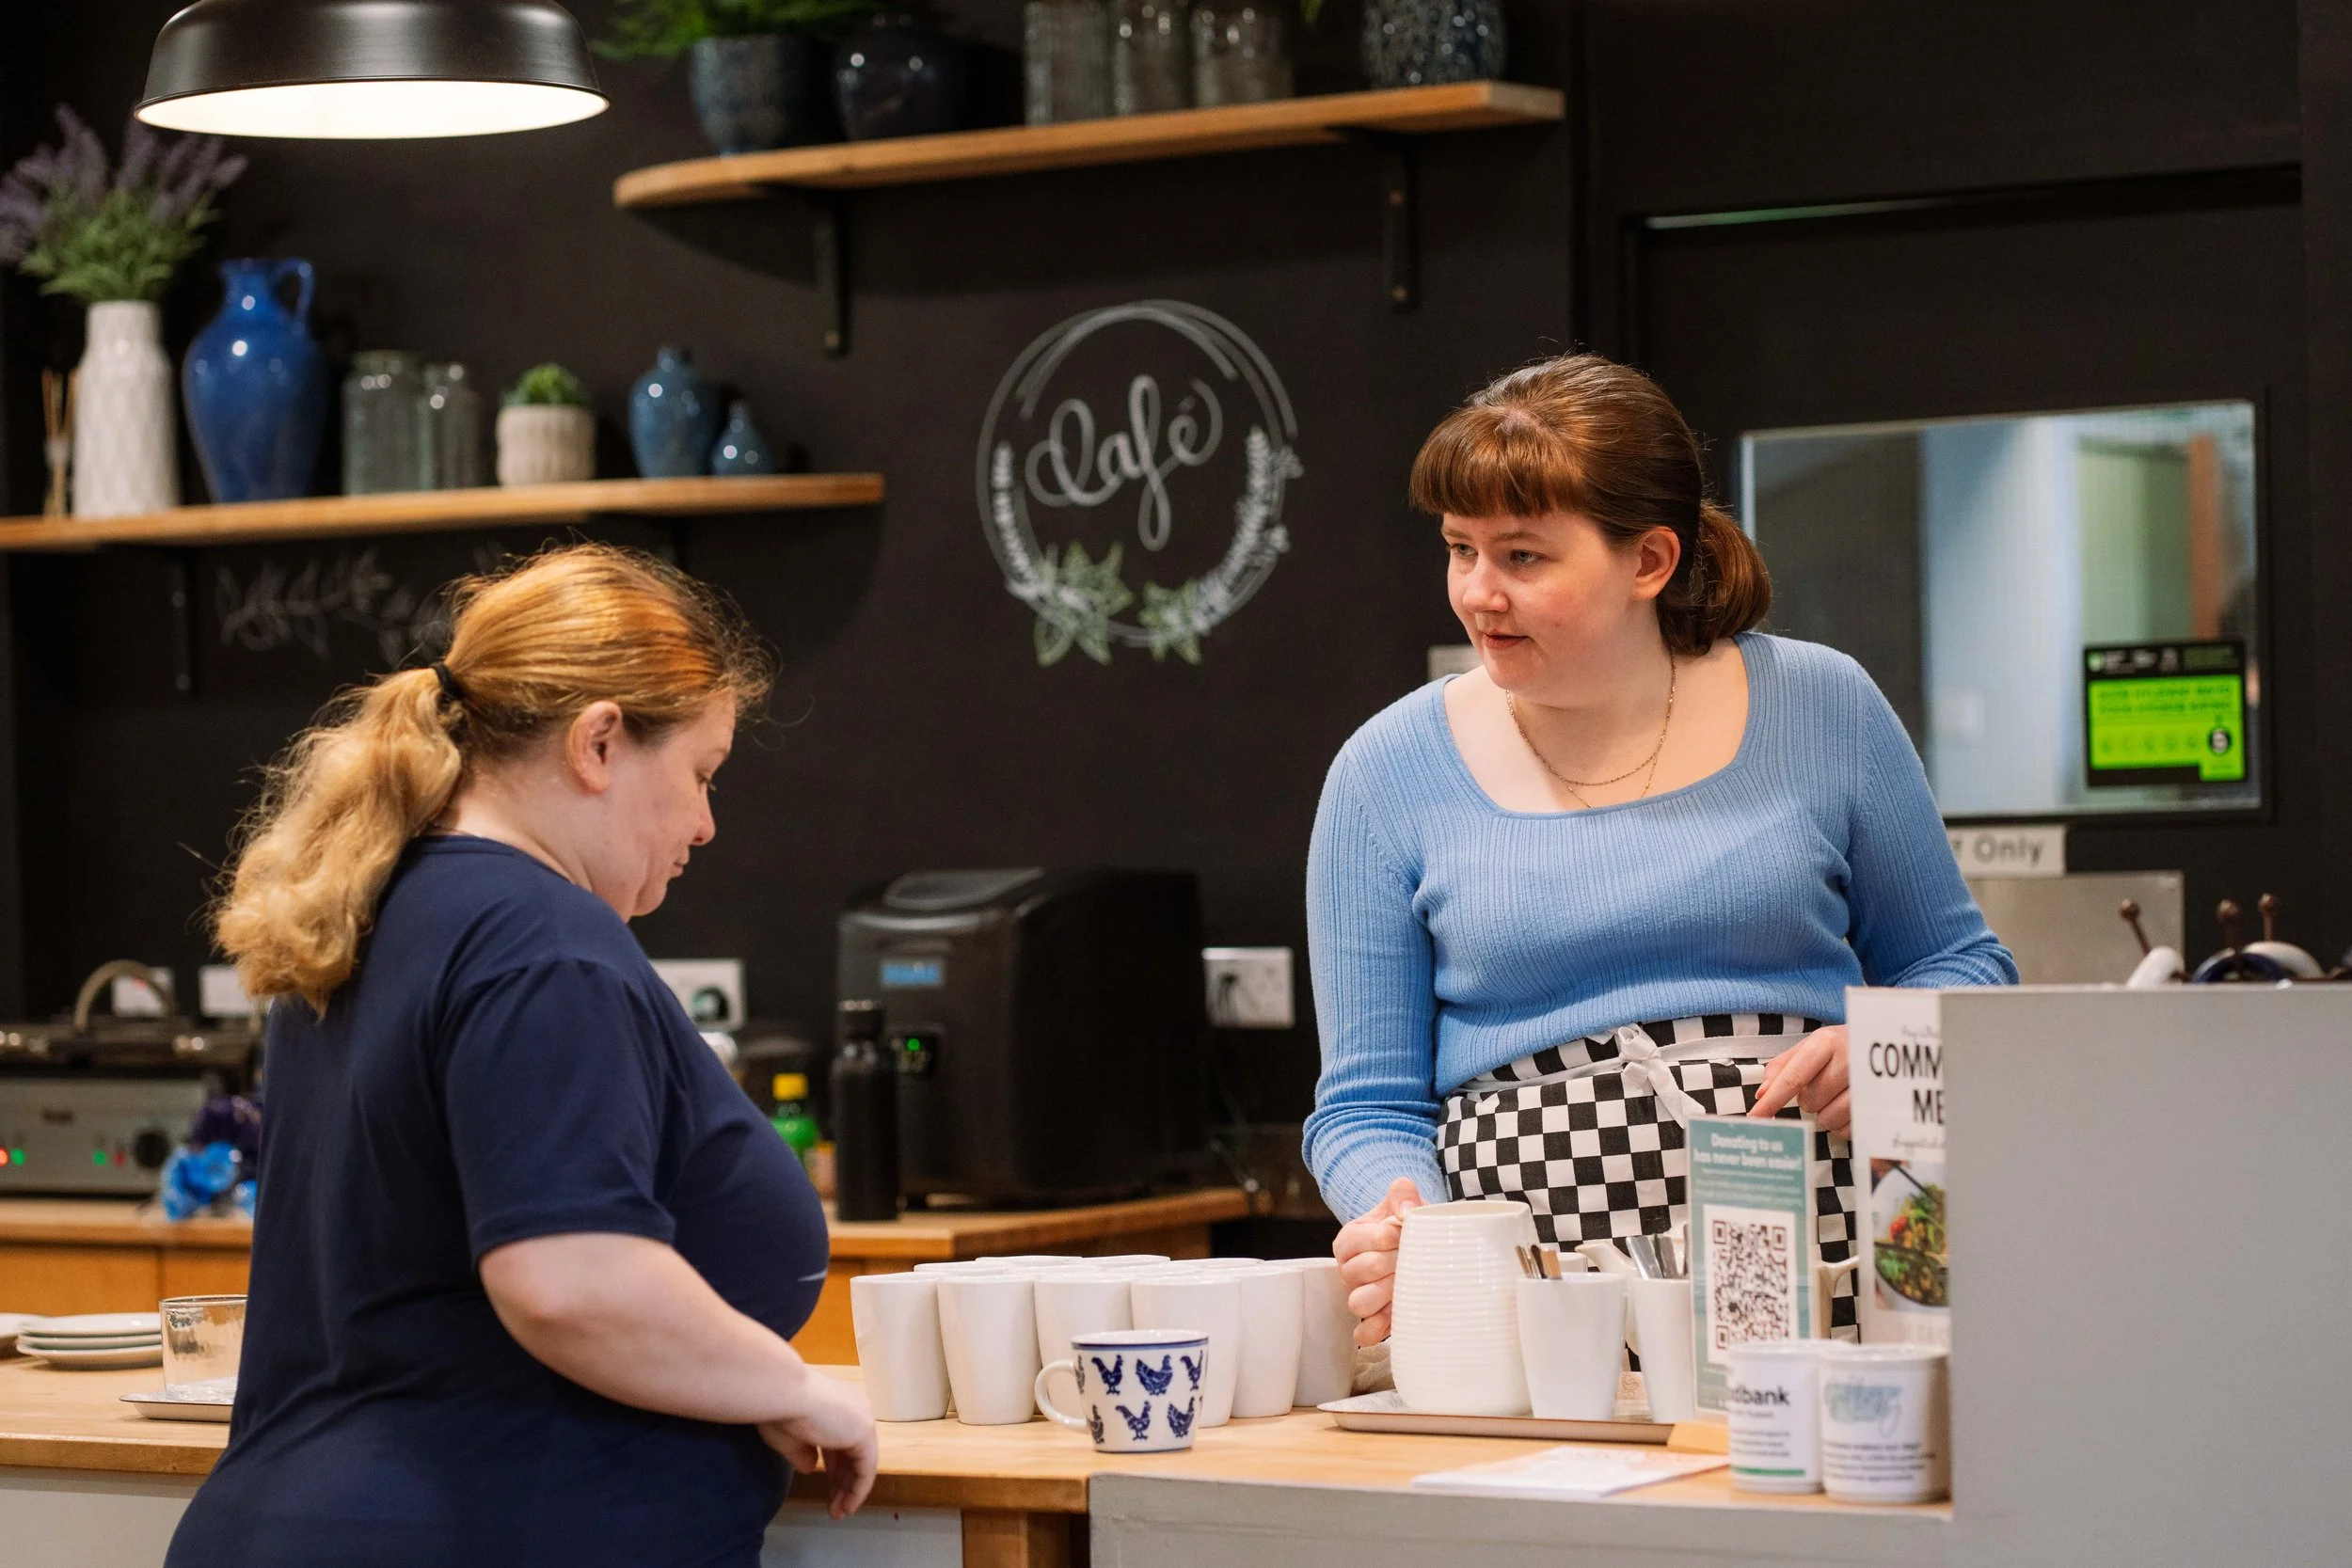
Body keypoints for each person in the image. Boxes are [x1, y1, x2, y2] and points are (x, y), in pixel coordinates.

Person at [167, 545, 876, 1568]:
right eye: (699, 773)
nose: (705, 823)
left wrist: (719, 1374)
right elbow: (569, 1281)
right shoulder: (544, 943)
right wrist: (796, 1386)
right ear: (599, 742)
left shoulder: (362, 919)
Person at [1307, 355, 2015, 1346]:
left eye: (1522, 557)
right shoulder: (1385, 771)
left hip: (1832, 1262)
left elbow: (1967, 967)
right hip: (1531, 1300)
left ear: (1648, 560)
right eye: (1459, 550)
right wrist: (1404, 1222)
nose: (1477, 594)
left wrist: (1889, 1039)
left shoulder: (1823, 705)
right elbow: (1365, 1102)